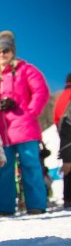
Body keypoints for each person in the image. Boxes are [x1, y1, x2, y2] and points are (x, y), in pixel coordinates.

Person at [0, 31, 50, 215]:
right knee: (4, 170)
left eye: (5, 50)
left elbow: (40, 91)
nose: (2, 55)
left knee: (31, 166)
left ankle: (36, 204)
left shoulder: (26, 70)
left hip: (24, 128)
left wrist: (28, 112)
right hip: (1, 132)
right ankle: (4, 206)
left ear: (12, 51)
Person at [55, 75, 71, 208]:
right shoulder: (68, 96)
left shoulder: (63, 96)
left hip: (64, 134)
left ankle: (68, 198)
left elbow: (57, 119)